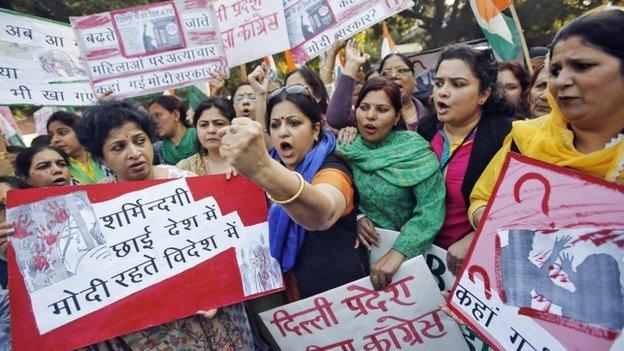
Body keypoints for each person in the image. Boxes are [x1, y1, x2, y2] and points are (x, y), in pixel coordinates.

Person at [77, 99, 254, 350]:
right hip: (156, 327)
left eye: (139, 141)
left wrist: (232, 188)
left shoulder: (186, 182)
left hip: (214, 310)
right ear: (102, 159)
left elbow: (221, 242)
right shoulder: (95, 209)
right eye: (119, 147)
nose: (134, 153)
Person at [467, 7, 624, 268]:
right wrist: (491, 221)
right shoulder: (526, 138)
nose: (561, 81)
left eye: (582, 66)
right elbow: (481, 200)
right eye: (555, 70)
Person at [218, 87, 368, 301]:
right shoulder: (275, 165)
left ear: (316, 130)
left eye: (294, 123)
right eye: (275, 125)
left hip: (342, 297)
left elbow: (323, 213)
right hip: (293, 299)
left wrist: (262, 169)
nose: (283, 132)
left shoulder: (332, 168)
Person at [338, 77, 446, 290]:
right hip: (362, 260)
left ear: (397, 116)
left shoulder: (414, 151)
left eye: (381, 109)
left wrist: (399, 252)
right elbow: (342, 199)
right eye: (364, 107)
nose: (370, 116)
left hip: (415, 257)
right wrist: (358, 217)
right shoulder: (346, 149)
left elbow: (431, 209)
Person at [417, 45, 515, 274]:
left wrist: (475, 238)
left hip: (482, 263)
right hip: (427, 259)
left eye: (457, 84)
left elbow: (520, 207)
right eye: (439, 83)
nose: (442, 92)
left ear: (484, 94)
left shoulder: (506, 134)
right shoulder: (426, 128)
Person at [325, 42, 430, 132]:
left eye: (402, 70)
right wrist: (352, 65)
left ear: (414, 79)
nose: (393, 76)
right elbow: (336, 118)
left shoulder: (433, 108)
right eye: (386, 73)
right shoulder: (368, 116)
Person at [47, 111, 114, 184]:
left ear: (81, 132)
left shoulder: (106, 156)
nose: (55, 140)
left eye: (62, 133)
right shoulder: (54, 169)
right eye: (51, 136)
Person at [177, 97, 238, 178]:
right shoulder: (185, 168)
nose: (211, 130)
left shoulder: (250, 163)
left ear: (232, 126)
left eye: (219, 124)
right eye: (203, 125)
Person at [149, 95, 197, 165]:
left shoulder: (201, 139)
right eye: (151, 118)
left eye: (157, 115)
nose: (154, 122)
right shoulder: (157, 151)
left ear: (176, 115)